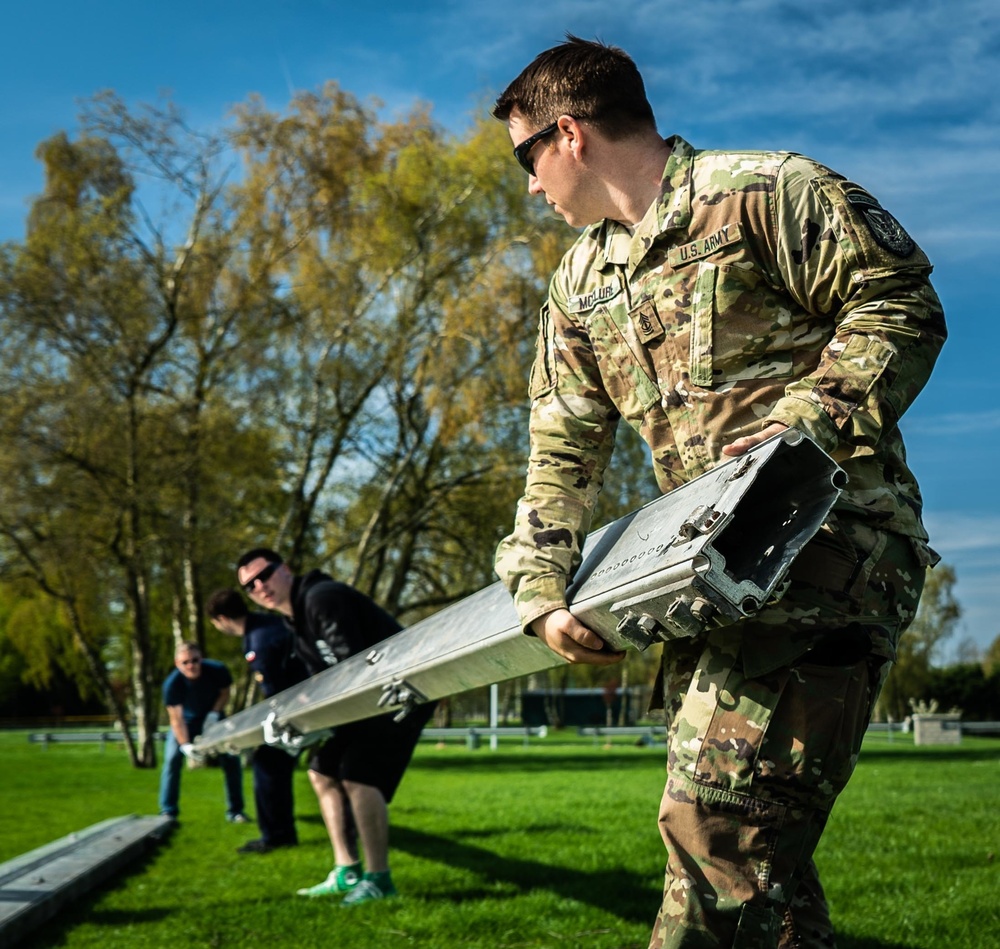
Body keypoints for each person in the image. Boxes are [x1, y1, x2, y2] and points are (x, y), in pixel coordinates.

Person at [492, 36, 946, 949]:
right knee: (754, 863)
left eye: (524, 158)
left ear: (568, 133)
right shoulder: (579, 285)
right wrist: (539, 587)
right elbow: (560, 448)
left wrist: (805, 424)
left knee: (715, 830)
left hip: (830, 557)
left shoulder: (765, 194)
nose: (531, 188)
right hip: (706, 590)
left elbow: (899, 301)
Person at [235, 547, 437, 906]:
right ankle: (347, 870)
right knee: (321, 771)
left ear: (285, 567)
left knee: (358, 775)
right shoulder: (294, 620)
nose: (260, 586)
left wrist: (318, 718)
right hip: (366, 701)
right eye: (250, 586)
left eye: (264, 575)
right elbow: (325, 680)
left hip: (401, 694)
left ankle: (379, 880)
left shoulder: (322, 598)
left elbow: (352, 668)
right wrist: (299, 719)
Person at [206, 587, 309, 854]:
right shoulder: (265, 626)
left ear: (221, 619)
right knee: (273, 764)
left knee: (268, 763)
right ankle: (279, 832)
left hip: (304, 706)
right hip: (307, 701)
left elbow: (277, 687)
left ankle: (277, 836)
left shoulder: (259, 640)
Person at [159, 641, 248, 824]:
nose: (191, 665)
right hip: (186, 723)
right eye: (185, 662)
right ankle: (168, 812)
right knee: (172, 760)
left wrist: (214, 713)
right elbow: (176, 719)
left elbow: (225, 692)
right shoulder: (172, 684)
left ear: (201, 659)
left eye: (195, 660)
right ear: (177, 663)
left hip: (214, 720)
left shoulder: (217, 670)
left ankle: (236, 811)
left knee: (231, 759)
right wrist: (185, 745)